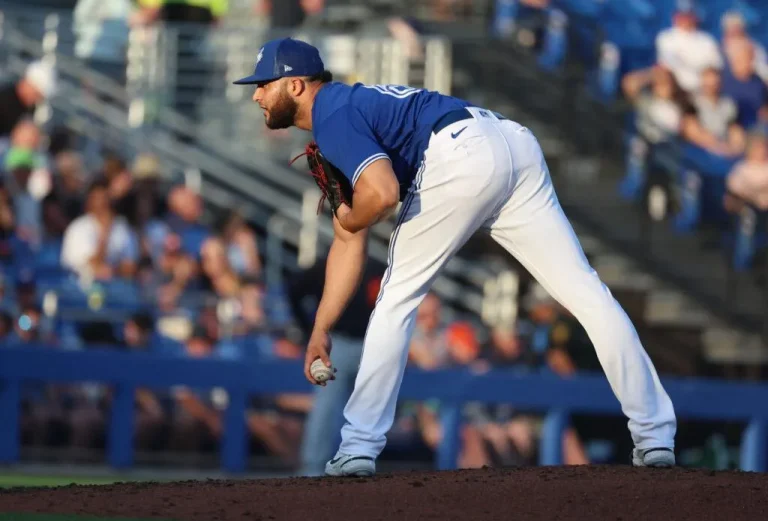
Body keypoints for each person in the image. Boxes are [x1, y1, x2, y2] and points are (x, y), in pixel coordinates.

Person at [233, 37, 677, 477]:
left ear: (295, 86)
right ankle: (655, 436)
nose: (255, 94)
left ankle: (358, 446)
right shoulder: (351, 108)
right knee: (588, 295)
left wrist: (350, 219)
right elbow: (349, 239)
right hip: (512, 142)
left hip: (459, 151)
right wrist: (321, 328)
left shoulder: (332, 113)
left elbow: (381, 197)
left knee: (396, 299)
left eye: (263, 83)